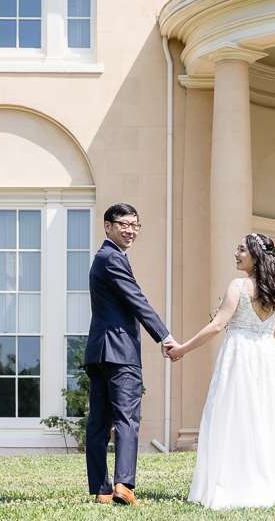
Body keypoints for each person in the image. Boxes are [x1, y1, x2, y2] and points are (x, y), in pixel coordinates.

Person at [166, 232, 275, 510]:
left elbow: (218, 325)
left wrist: (182, 348)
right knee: (265, 418)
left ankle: (233, 483)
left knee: (232, 415)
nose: (236, 253)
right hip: (268, 358)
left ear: (255, 256)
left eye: (241, 249)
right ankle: (270, 482)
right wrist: (261, 338)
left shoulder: (238, 285)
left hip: (239, 356)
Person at [83, 203, 178, 506]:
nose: (130, 230)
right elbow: (137, 299)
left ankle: (101, 490)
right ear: (107, 226)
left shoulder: (104, 258)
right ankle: (123, 486)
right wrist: (164, 335)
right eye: (123, 223)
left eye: (135, 224)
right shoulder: (111, 258)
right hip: (119, 351)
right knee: (126, 418)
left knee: (98, 422)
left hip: (99, 352)